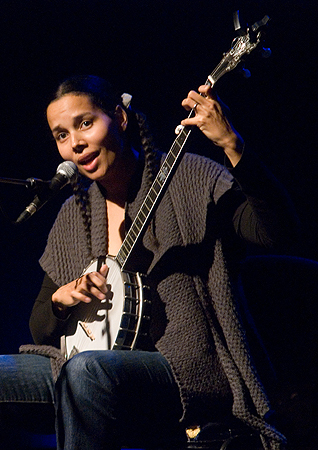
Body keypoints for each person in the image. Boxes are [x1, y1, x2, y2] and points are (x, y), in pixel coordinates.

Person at [0, 74, 299, 450]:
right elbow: (39, 329)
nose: (75, 143)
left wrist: (232, 145)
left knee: (87, 372)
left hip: (186, 366)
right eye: (62, 135)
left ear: (121, 119)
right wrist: (62, 300)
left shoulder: (189, 175)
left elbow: (276, 233)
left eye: (85, 123)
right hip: (89, 366)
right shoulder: (73, 216)